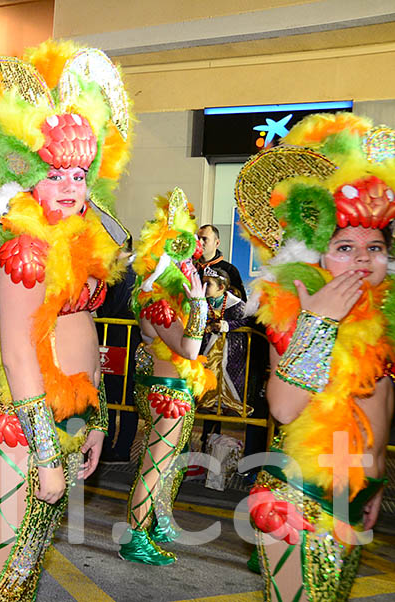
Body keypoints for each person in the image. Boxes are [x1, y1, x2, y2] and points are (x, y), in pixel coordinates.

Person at [0, 40, 130, 599]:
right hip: (28, 425)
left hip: (68, 414)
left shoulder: (80, 247)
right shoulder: (23, 248)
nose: (72, 187)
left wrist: (95, 420)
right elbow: (18, 353)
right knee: (8, 563)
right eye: (56, 175)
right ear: (25, 174)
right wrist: (48, 450)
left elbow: (84, 338)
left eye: (79, 174)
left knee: (28, 561)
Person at [237, 112, 395, 601]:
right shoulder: (298, 309)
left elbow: (380, 405)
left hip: (354, 495)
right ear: (315, 256)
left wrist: (376, 482)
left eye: (375, 245)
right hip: (299, 498)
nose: (363, 258)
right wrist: (318, 323)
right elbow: (283, 407)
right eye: (345, 247)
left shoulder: (382, 319)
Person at [122, 188, 214, 565]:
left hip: (170, 385)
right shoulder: (158, 301)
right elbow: (190, 350)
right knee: (155, 464)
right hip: (167, 390)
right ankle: (135, 537)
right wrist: (200, 304)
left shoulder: (162, 297)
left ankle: (153, 523)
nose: (191, 264)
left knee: (165, 461)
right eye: (184, 258)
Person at [197, 266, 249, 448]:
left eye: (208, 284)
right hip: (208, 353)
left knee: (225, 387)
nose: (204, 286)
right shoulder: (202, 302)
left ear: (221, 287)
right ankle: (206, 431)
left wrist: (226, 325)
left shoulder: (237, 305)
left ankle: (216, 436)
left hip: (229, 354)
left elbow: (248, 320)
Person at [99, 239, 140, 464]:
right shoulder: (115, 270)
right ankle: (106, 446)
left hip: (124, 340)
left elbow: (113, 306)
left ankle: (122, 449)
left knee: (124, 397)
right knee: (109, 395)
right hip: (111, 340)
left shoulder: (131, 273)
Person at [196, 224, 246, 301]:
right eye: (198, 238)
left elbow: (241, 303)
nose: (199, 242)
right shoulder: (190, 266)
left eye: (204, 239)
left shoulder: (229, 270)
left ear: (217, 243)